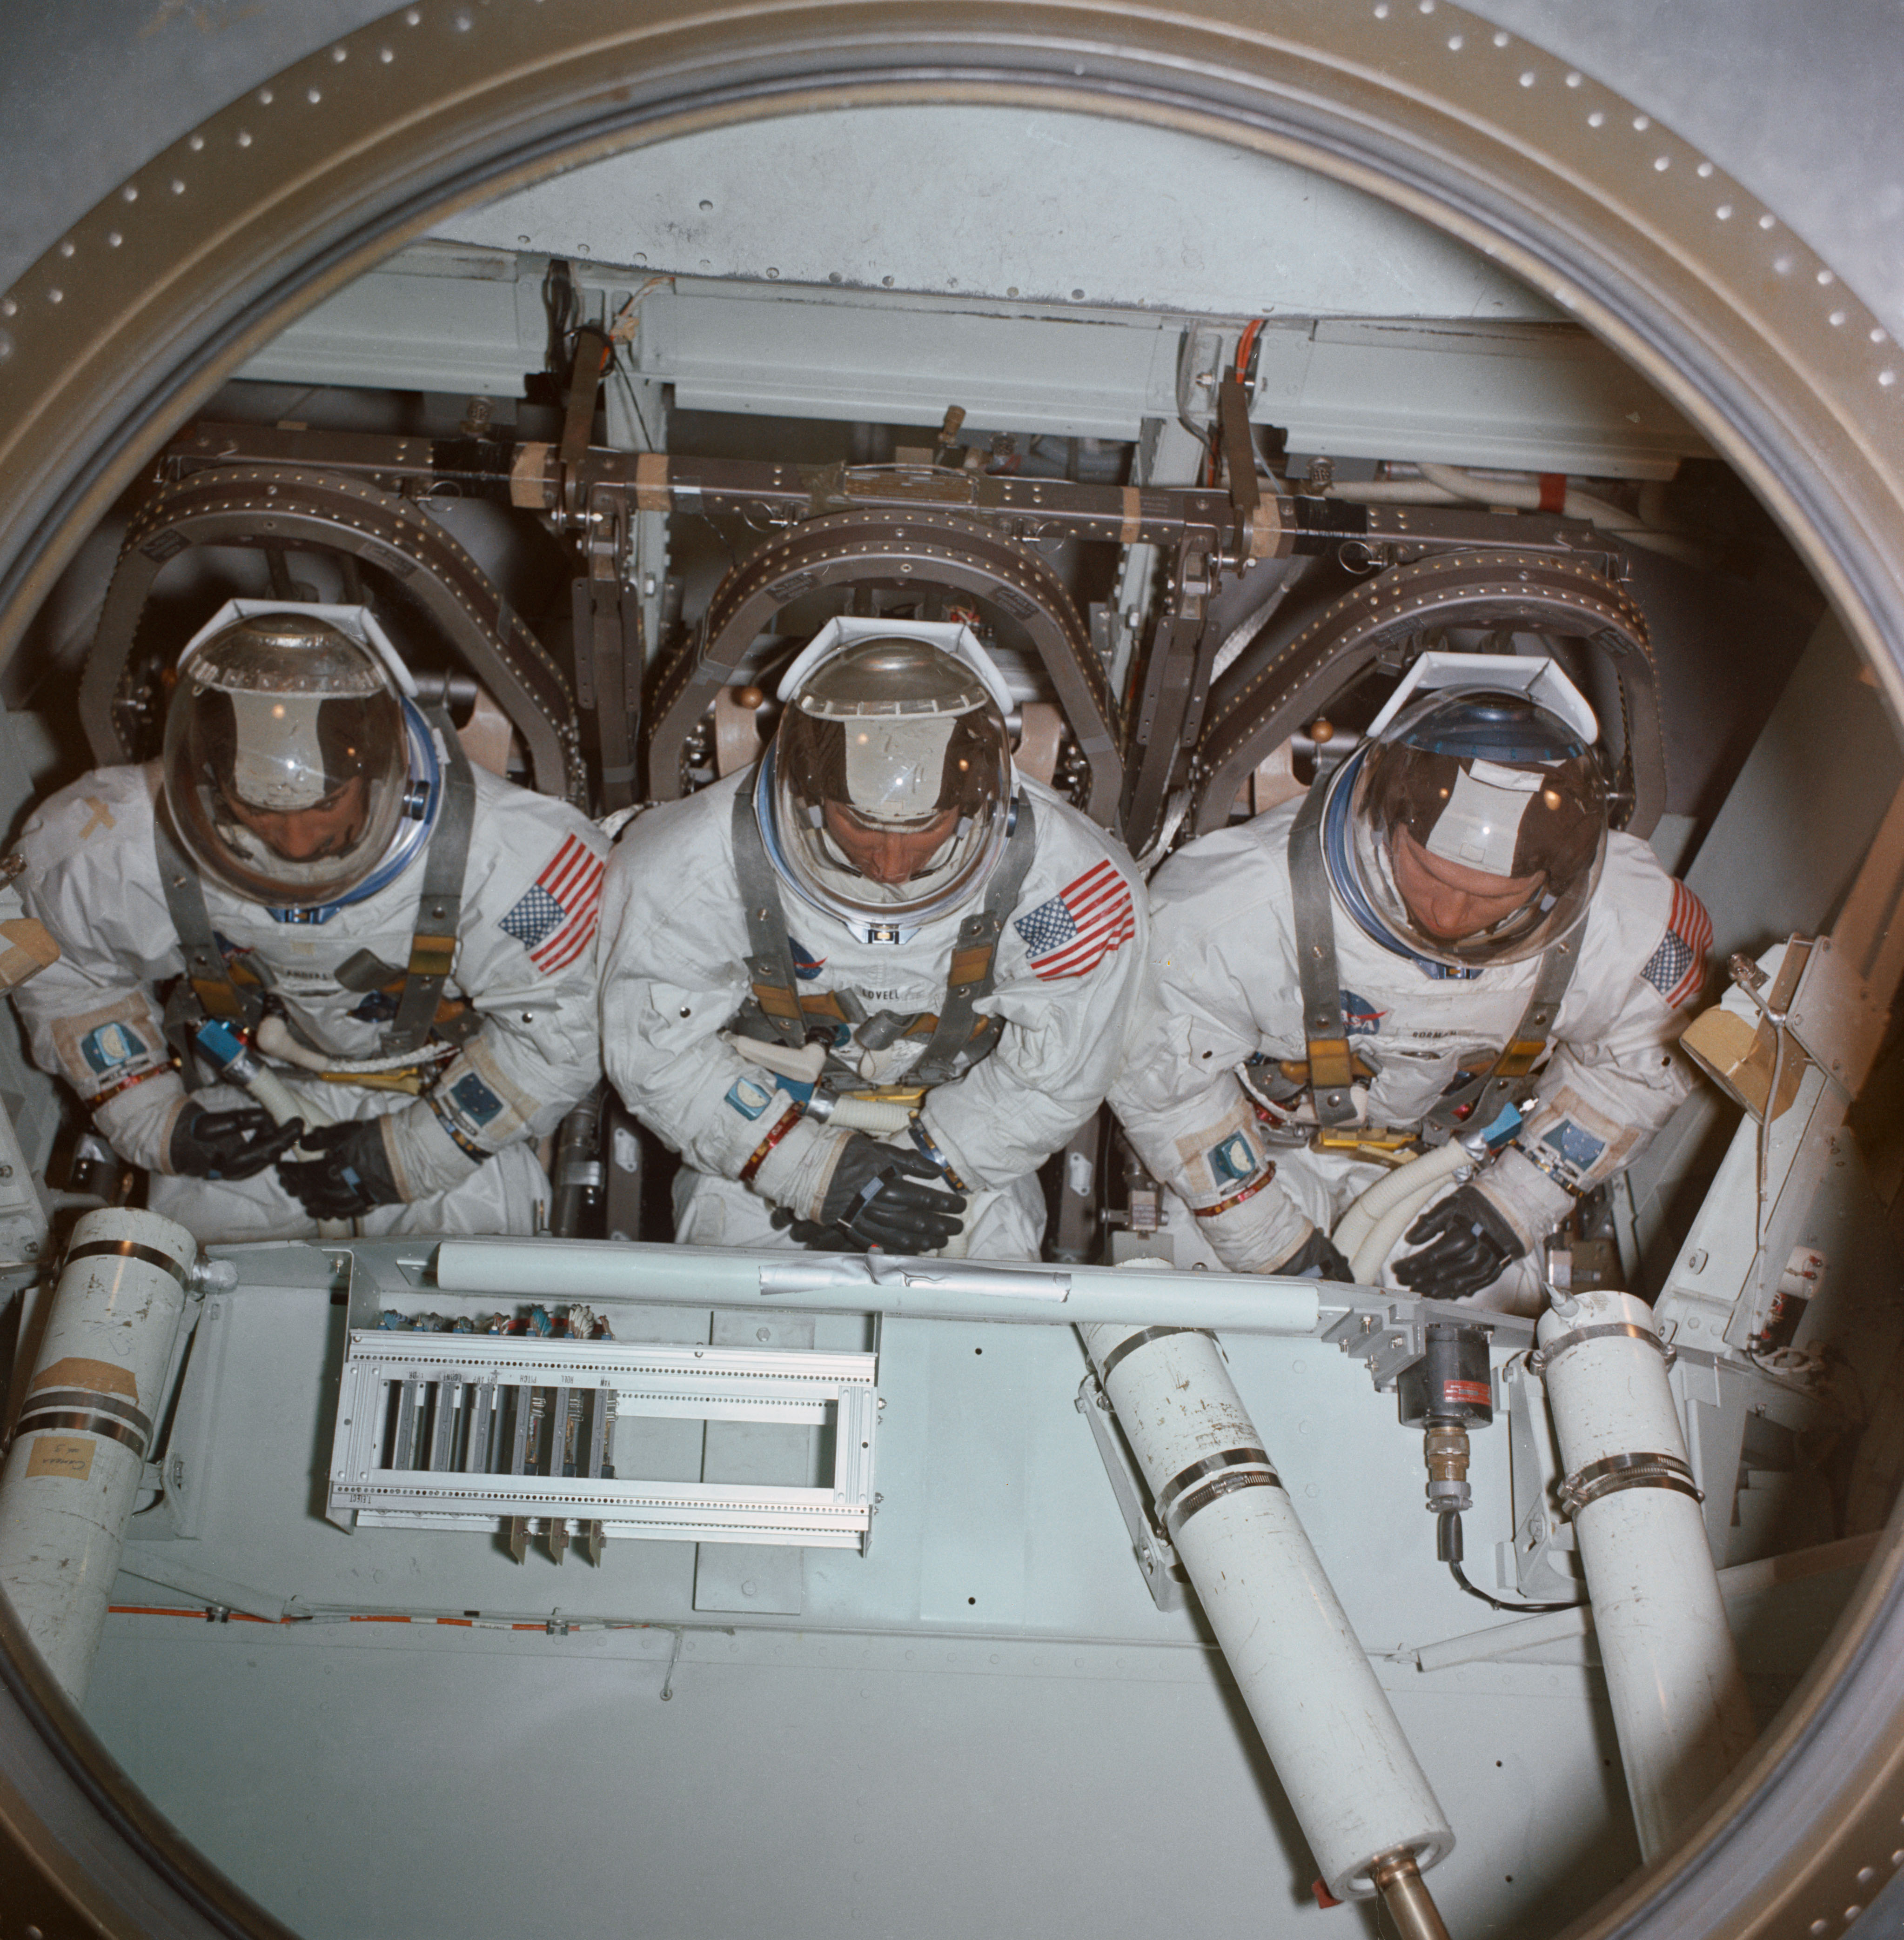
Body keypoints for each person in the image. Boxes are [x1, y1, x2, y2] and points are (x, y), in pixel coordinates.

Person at [1110, 658, 1709, 1312]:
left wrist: (1515, 1203)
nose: (1448, 917)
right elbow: (1161, 1076)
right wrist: (1266, 1241)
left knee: (1490, 1350)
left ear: (1557, 877)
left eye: (1492, 897)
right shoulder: (1237, 901)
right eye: (1430, 873)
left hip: (1457, 1173)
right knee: (1205, 1328)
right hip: (1259, 1154)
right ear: (1388, 814)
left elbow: (1641, 1067)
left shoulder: (1632, 924)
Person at [13, 601, 606, 1241]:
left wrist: (410, 1155)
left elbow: (564, 1029)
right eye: (257, 809)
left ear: (383, 763)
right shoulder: (108, 842)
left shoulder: (517, 860)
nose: (296, 845)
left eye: (325, 803)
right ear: (208, 776)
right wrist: (156, 1120)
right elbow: (66, 973)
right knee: (179, 1260)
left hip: (443, 1097)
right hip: (247, 1093)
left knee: (486, 1268)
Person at [600, 618, 1143, 1260]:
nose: (890, 865)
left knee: (989, 1328)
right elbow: (656, 1050)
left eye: (925, 826)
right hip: (754, 1138)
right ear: (808, 784)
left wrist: (916, 1170)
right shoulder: (695, 865)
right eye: (859, 824)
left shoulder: (1063, 885)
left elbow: (1057, 1074)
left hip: (970, 1152)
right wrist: (809, 1170)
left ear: (972, 796)